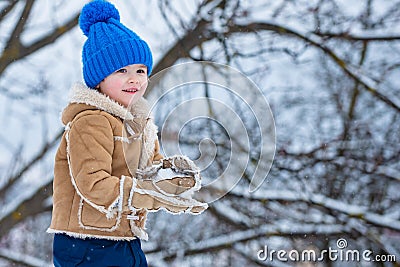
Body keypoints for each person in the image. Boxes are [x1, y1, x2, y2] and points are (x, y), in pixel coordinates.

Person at [47, 1, 207, 266]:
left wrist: (171, 178)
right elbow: (94, 185)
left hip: (123, 237)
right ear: (98, 79)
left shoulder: (139, 124)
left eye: (140, 71)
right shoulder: (91, 122)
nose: (134, 79)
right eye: (122, 71)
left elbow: (148, 171)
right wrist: (153, 193)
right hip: (86, 242)